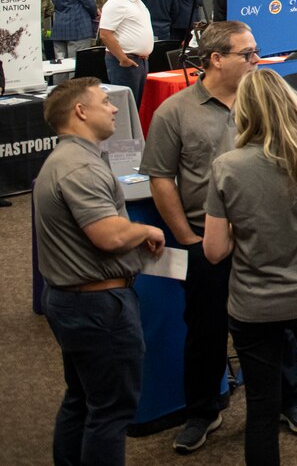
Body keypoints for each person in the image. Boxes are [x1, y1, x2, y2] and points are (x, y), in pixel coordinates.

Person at [140, 21, 297, 453]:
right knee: (205, 330)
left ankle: (292, 399)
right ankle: (203, 410)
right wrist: (187, 238)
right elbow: (161, 177)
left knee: (281, 326)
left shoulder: (267, 106)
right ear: (216, 59)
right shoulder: (174, 112)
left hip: (264, 238)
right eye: (248, 53)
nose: (257, 60)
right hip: (206, 242)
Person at [203, 69, 297, 465]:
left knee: (260, 409)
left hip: (254, 305)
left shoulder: (226, 167)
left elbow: (215, 250)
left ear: (244, 111)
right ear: (291, 104)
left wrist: (250, 228)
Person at [35, 77, 165, 465]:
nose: (113, 109)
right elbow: (107, 235)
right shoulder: (79, 168)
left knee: (83, 400)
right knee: (109, 411)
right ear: (80, 111)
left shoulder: (66, 160)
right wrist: (145, 229)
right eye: (105, 102)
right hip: (97, 306)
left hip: (76, 301)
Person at [98, 0, 152, 106]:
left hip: (139, 61)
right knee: (124, 107)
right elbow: (105, 34)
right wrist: (123, 58)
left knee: (136, 106)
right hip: (124, 62)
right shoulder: (116, 3)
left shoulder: (137, 1)